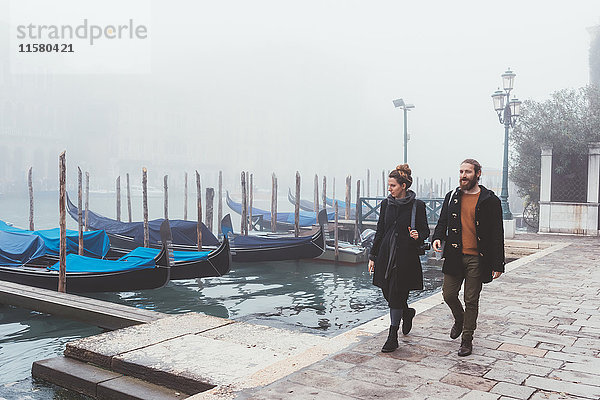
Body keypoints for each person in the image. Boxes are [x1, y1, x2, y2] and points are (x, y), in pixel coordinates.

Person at [432, 159, 505, 357]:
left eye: (468, 172)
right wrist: (437, 237)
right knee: (448, 294)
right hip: (455, 255)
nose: (463, 176)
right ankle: (460, 319)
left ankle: (466, 339)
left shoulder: (490, 200)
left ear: (478, 174)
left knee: (471, 299)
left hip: (478, 258)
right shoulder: (452, 197)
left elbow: (497, 233)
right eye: (461, 172)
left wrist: (498, 263)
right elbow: (442, 222)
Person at [368, 164, 430, 353]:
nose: (389, 189)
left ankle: (392, 336)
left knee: (396, 294)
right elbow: (380, 230)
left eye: (393, 185)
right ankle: (407, 312)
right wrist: (373, 255)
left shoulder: (417, 206)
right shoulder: (386, 204)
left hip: (406, 257)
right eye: (389, 185)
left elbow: (425, 230)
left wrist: (418, 235)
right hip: (386, 255)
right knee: (388, 293)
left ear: (403, 186)